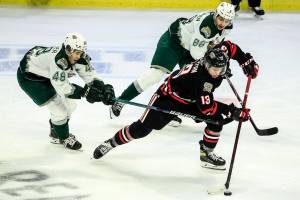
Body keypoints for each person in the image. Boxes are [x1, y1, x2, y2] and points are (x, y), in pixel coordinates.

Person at [93, 47, 253, 170]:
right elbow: (207, 108)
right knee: (141, 130)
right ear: (206, 64)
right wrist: (232, 111)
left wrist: (245, 60)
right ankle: (111, 143)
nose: (217, 73)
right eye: (214, 69)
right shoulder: (200, 80)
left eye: (220, 70)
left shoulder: (213, 66)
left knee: (216, 121)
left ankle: (206, 154)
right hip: (167, 99)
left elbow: (229, 47)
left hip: (190, 98)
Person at [109, 2, 236, 127]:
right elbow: (197, 53)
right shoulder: (206, 27)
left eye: (226, 21)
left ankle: (169, 112)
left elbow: (215, 45)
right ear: (216, 14)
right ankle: (121, 100)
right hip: (174, 42)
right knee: (154, 75)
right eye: (221, 19)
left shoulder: (227, 27)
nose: (222, 23)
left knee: (191, 83)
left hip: (192, 48)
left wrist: (222, 64)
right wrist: (215, 64)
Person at [17, 32, 115, 150]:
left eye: (81, 53)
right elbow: (62, 87)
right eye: (77, 53)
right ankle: (63, 137)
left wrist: (103, 89)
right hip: (31, 78)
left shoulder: (78, 56)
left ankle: (56, 129)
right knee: (59, 110)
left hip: (47, 73)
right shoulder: (59, 61)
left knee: (71, 105)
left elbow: (90, 76)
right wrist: (85, 92)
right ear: (68, 50)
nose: (79, 56)